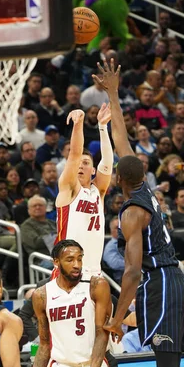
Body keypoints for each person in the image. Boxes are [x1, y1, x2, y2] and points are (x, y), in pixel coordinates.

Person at [97, 58, 184, 367]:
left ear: (118, 179)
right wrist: (112, 94)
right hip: (173, 280)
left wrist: (118, 318)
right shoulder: (143, 185)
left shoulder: (131, 212)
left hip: (162, 282)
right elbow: (122, 139)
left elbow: (133, 272)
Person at [29, 240, 112, 367]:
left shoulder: (96, 285)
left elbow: (102, 333)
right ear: (56, 262)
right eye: (70, 259)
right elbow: (45, 344)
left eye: (79, 259)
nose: (77, 265)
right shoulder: (42, 295)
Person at [53, 104, 112, 280]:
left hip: (94, 272)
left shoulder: (98, 192)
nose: (80, 165)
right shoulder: (69, 188)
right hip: (68, 273)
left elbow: (108, 162)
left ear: (93, 170)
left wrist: (102, 127)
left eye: (86, 163)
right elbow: (74, 154)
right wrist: (78, 125)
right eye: (79, 162)